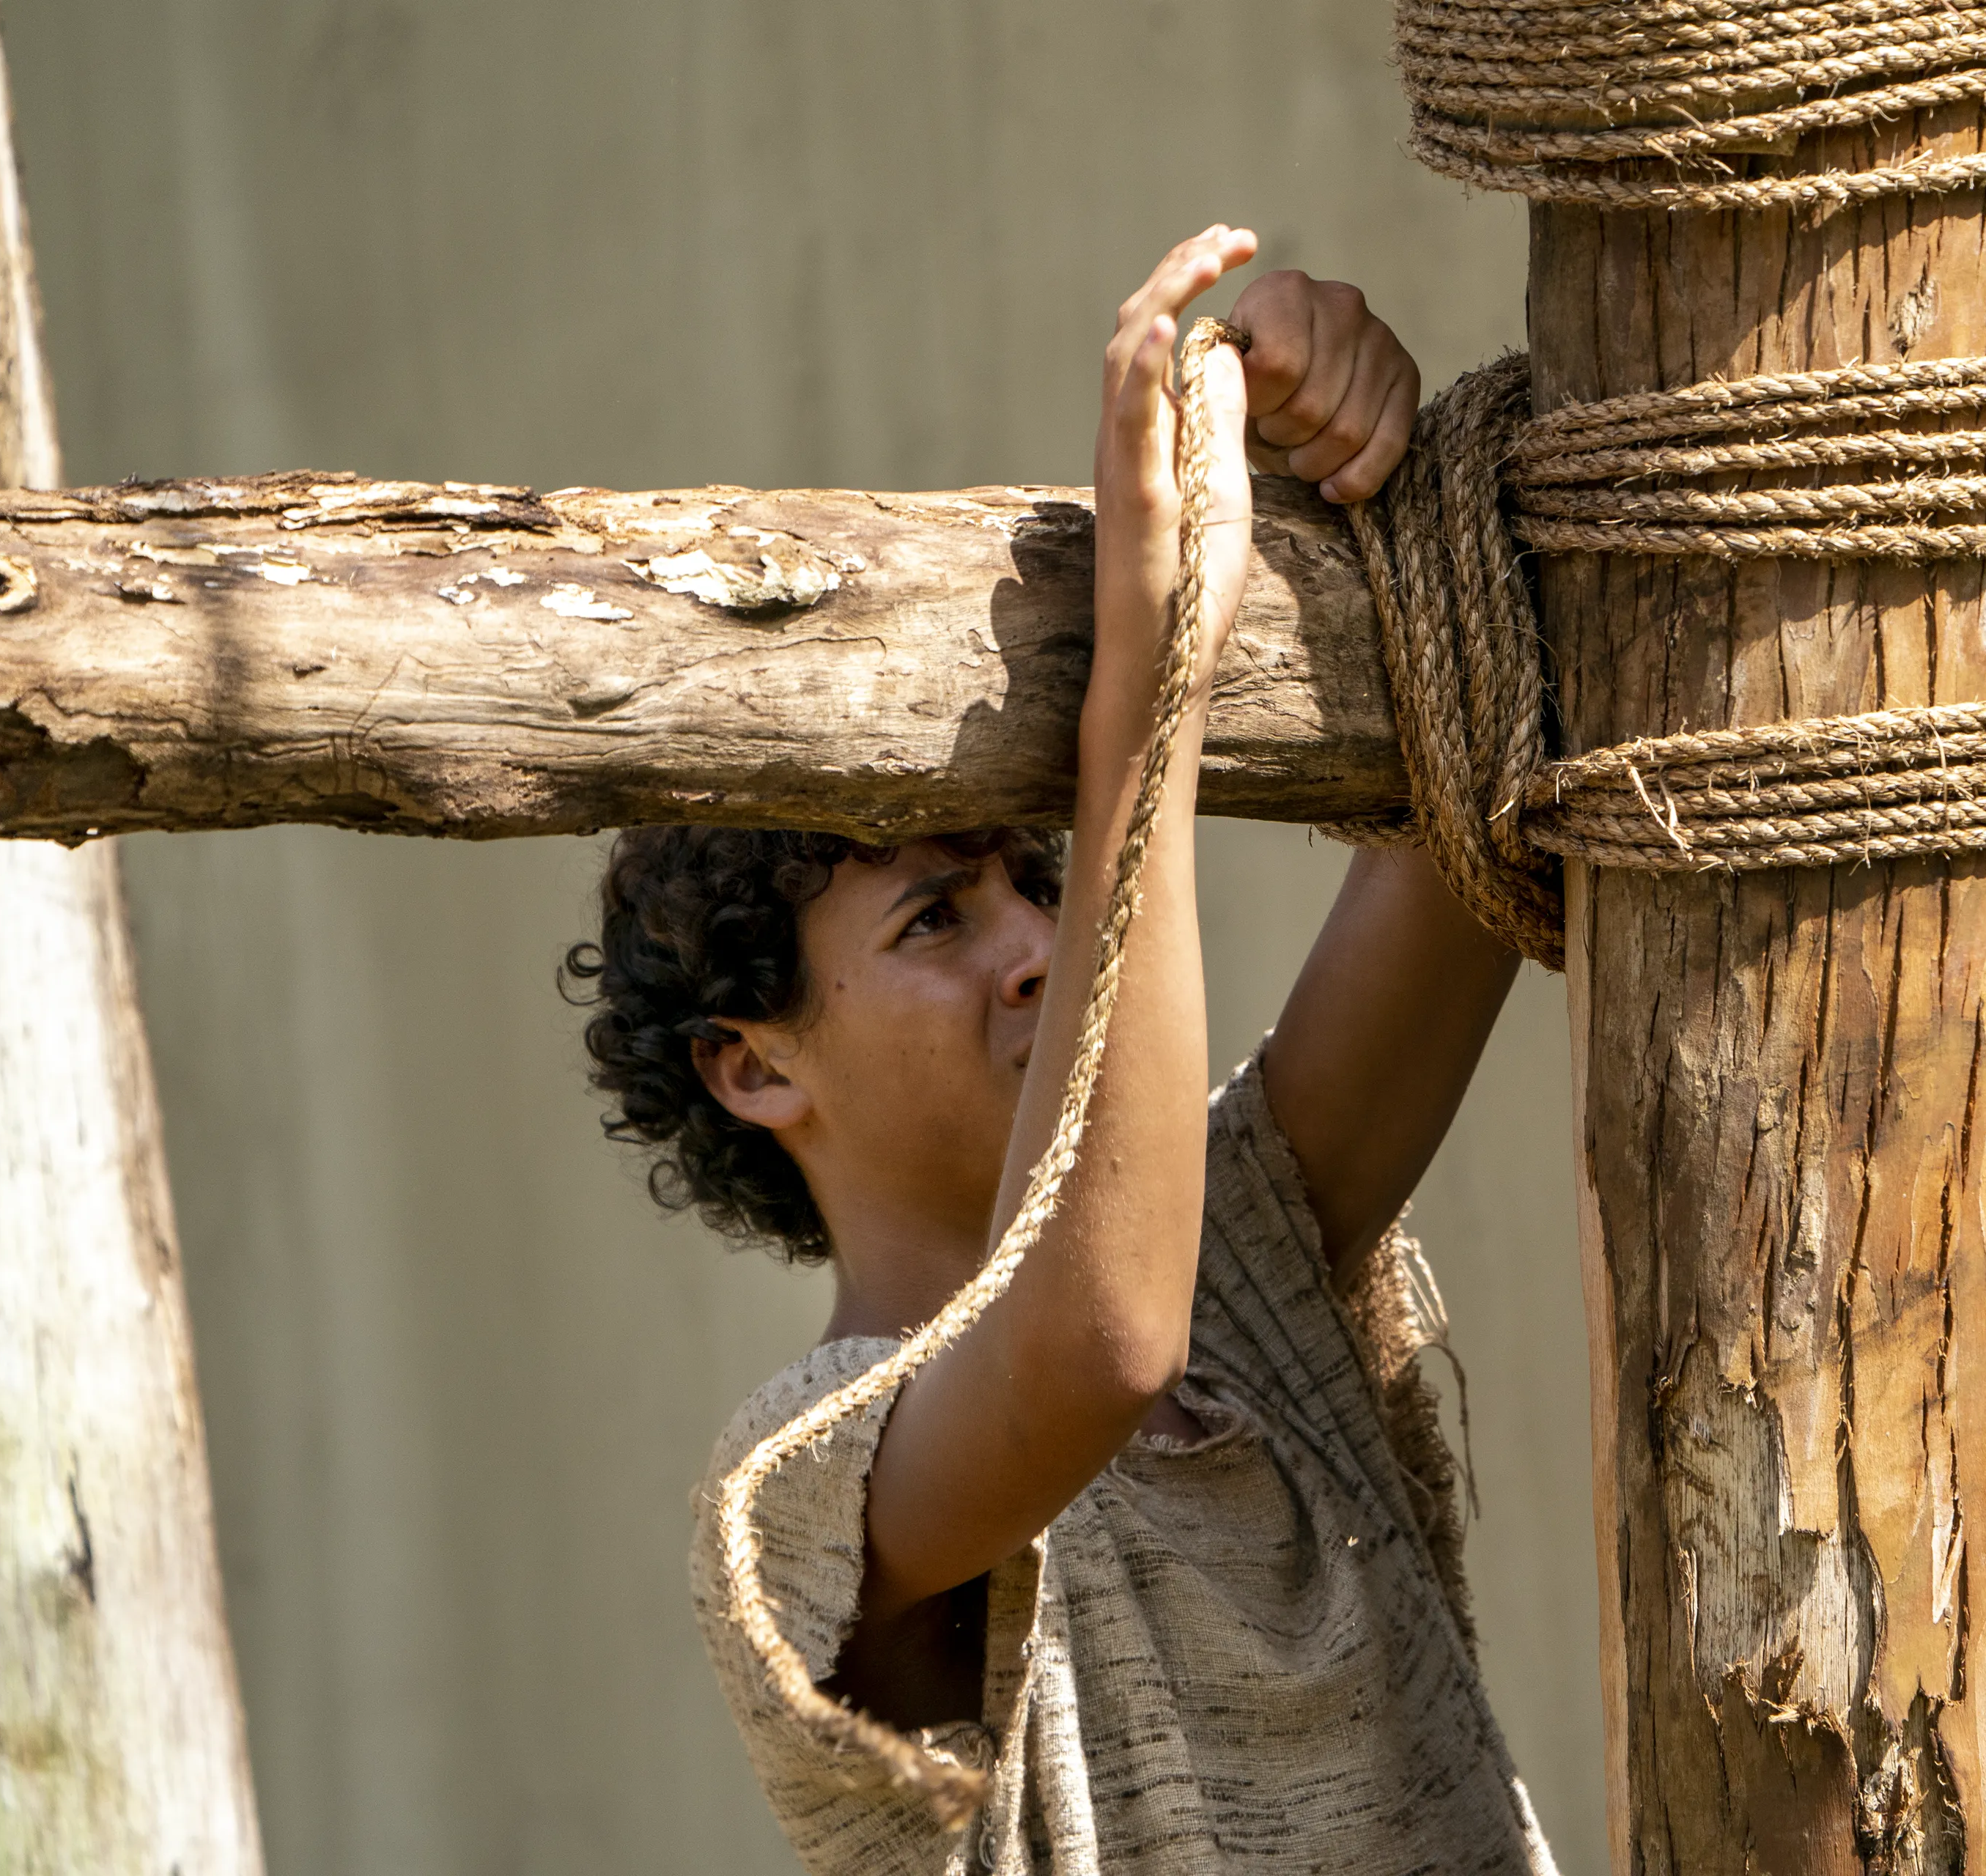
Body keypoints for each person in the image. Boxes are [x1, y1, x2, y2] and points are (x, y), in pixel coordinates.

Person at [564, 227, 1557, 1874]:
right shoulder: (800, 1485)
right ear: (754, 1066)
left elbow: (1470, 831)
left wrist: (1354, 475)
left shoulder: (1249, 1264)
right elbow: (1094, 1345)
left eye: (1035, 878)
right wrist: (1144, 692)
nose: (1033, 945)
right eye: (932, 919)